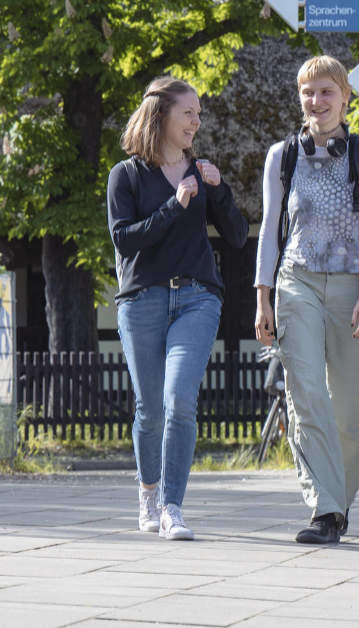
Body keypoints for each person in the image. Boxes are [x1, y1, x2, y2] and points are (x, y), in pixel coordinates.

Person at [107, 76, 247, 541]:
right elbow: (124, 240)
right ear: (162, 114)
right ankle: (148, 492)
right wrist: (174, 204)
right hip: (142, 299)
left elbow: (237, 235)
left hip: (197, 297)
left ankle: (172, 507)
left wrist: (219, 190)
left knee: (179, 401)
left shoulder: (202, 172)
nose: (197, 121)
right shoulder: (126, 176)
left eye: (199, 114)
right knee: (149, 409)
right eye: (189, 112)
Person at [254, 55, 359, 545]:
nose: (318, 101)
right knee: (306, 394)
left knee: (347, 411)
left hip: (352, 287)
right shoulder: (281, 155)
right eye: (309, 92)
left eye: (327, 91)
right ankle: (323, 508)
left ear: (346, 97)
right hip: (297, 282)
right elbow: (270, 231)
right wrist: (262, 295)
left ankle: (340, 501)